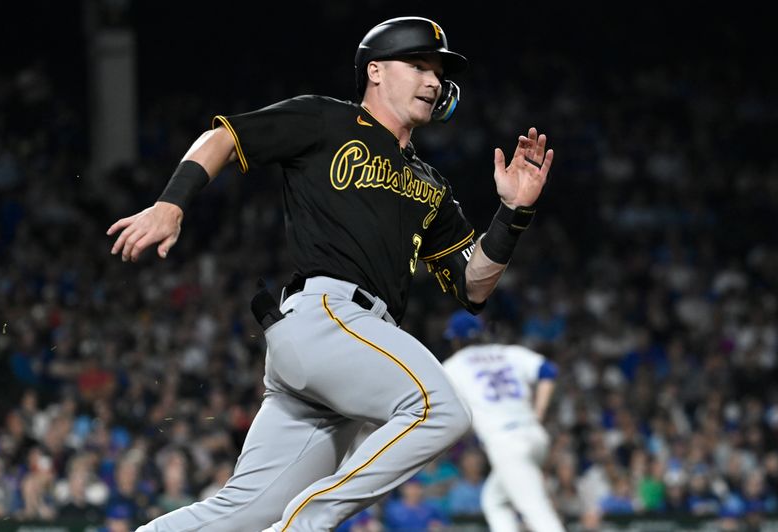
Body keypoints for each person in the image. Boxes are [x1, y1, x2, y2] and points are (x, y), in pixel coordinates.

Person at [107, 16, 553, 532]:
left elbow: (473, 286)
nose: (433, 80)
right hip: (326, 316)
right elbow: (224, 138)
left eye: (439, 72)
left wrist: (513, 214)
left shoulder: (431, 184)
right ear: (376, 71)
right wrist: (170, 204)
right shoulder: (326, 120)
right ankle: (308, 524)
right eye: (418, 65)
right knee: (440, 409)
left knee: (246, 512)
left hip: (340, 348)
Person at [441, 310, 565, 532]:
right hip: (535, 436)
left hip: (506, 443)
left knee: (537, 512)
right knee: (494, 501)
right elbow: (548, 371)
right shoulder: (509, 353)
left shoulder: (453, 365)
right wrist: (538, 413)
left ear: (456, 340)